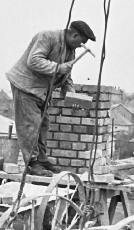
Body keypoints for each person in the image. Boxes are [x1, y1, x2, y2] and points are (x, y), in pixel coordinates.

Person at [6, 21, 96, 176]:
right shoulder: (47, 37)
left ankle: (41, 159)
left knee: (43, 124)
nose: (80, 46)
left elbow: (66, 77)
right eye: (80, 42)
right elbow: (33, 60)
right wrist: (58, 67)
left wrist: (71, 95)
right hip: (25, 85)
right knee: (31, 124)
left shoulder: (70, 51)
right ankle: (32, 164)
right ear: (74, 34)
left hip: (41, 91)